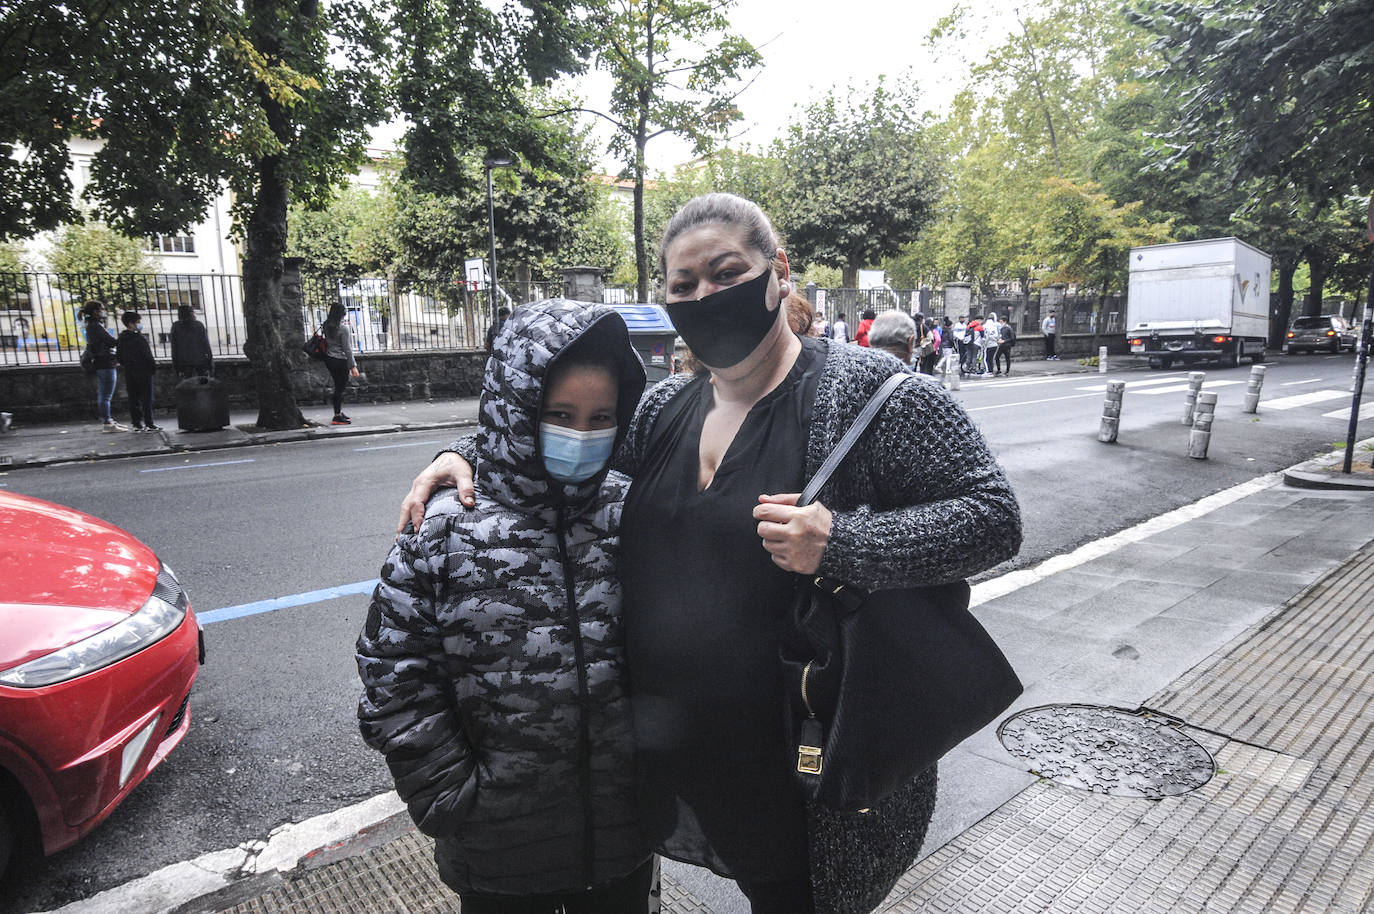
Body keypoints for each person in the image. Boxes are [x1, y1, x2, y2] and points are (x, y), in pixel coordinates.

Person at [397, 193, 1021, 914]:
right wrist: (458, 453)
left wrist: (844, 544)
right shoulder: (666, 409)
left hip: (802, 766)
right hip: (682, 762)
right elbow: (559, 442)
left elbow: (993, 517)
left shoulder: (872, 395)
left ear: (777, 271)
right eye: (683, 285)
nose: (706, 296)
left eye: (727, 272)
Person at [358, 300, 652, 913]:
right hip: (498, 853)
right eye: (560, 415)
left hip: (627, 835)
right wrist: (455, 799)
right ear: (517, 411)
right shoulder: (444, 531)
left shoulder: (633, 513)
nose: (583, 433)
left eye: (602, 417)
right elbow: (396, 678)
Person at [82, 300, 124, 432]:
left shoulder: (92, 325)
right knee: (106, 395)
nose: (103, 312)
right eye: (101, 309)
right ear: (95, 311)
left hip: (102, 362)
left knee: (104, 394)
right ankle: (107, 423)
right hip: (105, 362)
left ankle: (108, 420)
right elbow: (111, 342)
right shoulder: (95, 326)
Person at [116, 310, 159, 431]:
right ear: (131, 324)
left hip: (130, 370)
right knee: (147, 398)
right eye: (138, 322)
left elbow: (119, 356)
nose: (140, 324)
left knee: (133, 397)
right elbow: (147, 355)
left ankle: (136, 423)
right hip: (143, 370)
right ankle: (149, 423)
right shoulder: (139, 338)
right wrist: (152, 367)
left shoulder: (121, 338)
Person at [321, 302, 359, 425]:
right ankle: (337, 416)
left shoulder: (326, 326)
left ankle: (339, 412)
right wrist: (353, 366)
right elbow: (347, 349)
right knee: (339, 388)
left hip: (329, 359)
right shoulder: (343, 328)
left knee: (338, 386)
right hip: (340, 360)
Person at [170, 304, 214, 378]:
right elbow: (206, 345)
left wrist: (175, 366)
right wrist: (210, 362)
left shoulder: (176, 326)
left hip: (184, 364)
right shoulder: (198, 325)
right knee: (202, 385)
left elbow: (174, 348)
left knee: (187, 386)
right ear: (191, 313)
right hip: (200, 362)